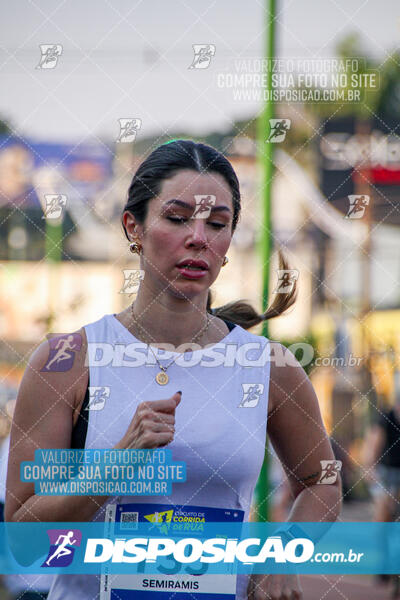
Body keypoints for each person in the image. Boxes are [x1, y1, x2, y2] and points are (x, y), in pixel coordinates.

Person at [5, 140, 341, 600]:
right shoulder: (65, 361)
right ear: (134, 227)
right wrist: (115, 468)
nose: (199, 237)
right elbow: (23, 543)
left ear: (228, 243)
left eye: (218, 224)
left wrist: (284, 554)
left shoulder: (268, 366)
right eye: (178, 218)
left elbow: (322, 480)